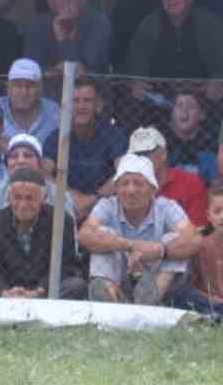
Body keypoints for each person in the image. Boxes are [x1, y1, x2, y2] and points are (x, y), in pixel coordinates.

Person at [78, 154, 200, 304]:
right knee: (103, 233)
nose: (131, 190)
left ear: (152, 189)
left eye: (138, 184)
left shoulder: (167, 206)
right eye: (124, 183)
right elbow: (84, 234)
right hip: (119, 274)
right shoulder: (107, 205)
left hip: (155, 274)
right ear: (116, 188)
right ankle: (109, 298)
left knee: (174, 239)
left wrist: (160, 250)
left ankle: (149, 300)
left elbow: (194, 238)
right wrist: (127, 245)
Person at [0, 168, 86, 299]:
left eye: (30, 198)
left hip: (46, 291)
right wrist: (3, 291)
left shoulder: (61, 221)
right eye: (17, 198)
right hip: (7, 291)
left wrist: (39, 291)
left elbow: (66, 266)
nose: (23, 205)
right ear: (9, 198)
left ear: (43, 198)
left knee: (76, 285)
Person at [41, 78, 126, 214]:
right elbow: (44, 173)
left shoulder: (112, 135)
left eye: (87, 100)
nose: (81, 107)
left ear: (98, 105)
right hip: (65, 205)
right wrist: (73, 198)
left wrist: (94, 199)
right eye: (75, 101)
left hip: (105, 206)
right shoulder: (56, 137)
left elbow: (124, 170)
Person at [123, 0, 223, 82]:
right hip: (157, 96)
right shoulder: (149, 25)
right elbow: (135, 67)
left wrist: (217, 83)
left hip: (202, 95)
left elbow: (220, 65)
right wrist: (137, 83)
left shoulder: (209, 24)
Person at [0, 132, 76, 222]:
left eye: (28, 156)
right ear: (7, 165)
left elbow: (70, 238)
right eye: (14, 156)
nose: (20, 161)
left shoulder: (61, 197)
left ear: (40, 164)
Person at [128, 126, 208, 227]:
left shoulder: (191, 183)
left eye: (146, 154)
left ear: (163, 154)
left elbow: (198, 231)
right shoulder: (127, 188)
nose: (141, 159)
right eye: (136, 155)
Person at [169, 178, 223, 318]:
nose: (222, 217)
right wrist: (212, 300)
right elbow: (191, 285)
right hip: (210, 302)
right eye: (217, 211)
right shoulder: (200, 245)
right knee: (180, 294)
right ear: (208, 216)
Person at [0, 58, 60, 142]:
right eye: (18, 86)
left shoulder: (53, 112)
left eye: (30, 86)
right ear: (8, 88)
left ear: (40, 89)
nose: (24, 93)